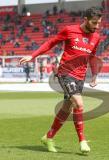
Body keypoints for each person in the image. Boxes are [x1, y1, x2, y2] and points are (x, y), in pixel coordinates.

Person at [19, 7, 102, 153]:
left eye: (99, 23)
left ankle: (48, 137)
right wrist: (33, 56)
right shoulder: (69, 30)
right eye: (94, 23)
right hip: (65, 73)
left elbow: (92, 57)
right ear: (86, 20)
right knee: (79, 103)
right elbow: (50, 43)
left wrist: (94, 75)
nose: (97, 26)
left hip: (80, 76)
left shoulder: (96, 37)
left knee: (66, 108)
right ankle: (82, 141)